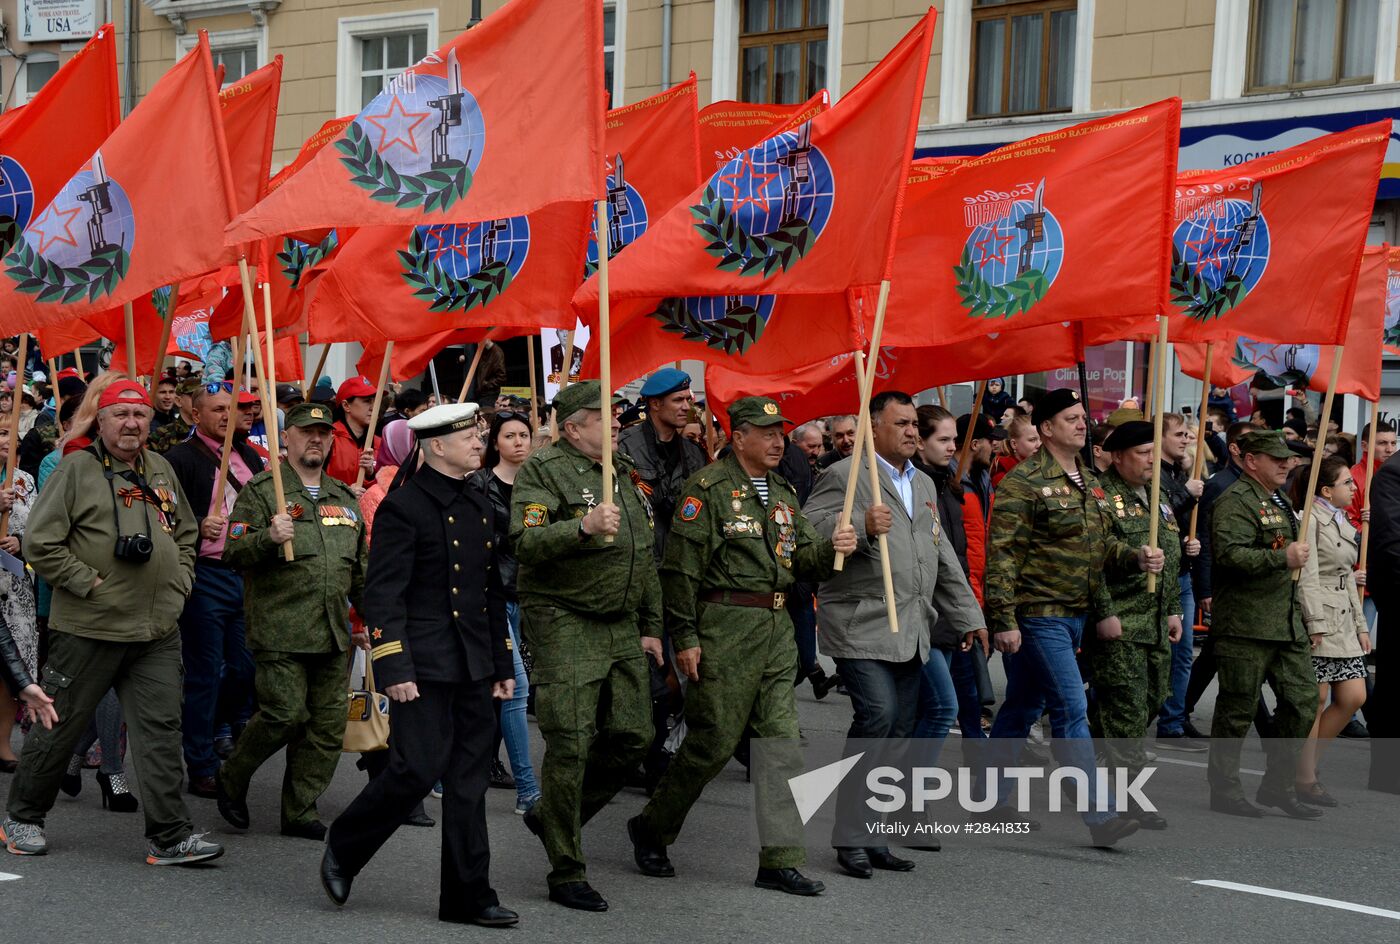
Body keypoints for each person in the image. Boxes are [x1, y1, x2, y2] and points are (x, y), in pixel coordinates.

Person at [628, 396, 857, 896]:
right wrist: (684, 637)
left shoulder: (782, 491)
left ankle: (780, 859)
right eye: (768, 432)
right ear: (740, 437)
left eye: (782, 433)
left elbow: (800, 561)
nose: (779, 441)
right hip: (724, 628)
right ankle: (652, 826)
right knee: (711, 745)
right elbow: (680, 571)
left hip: (775, 630)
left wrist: (835, 548)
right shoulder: (706, 490)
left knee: (780, 747)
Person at [2, 379, 223, 865]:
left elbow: (185, 532)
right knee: (59, 726)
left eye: (139, 415)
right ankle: (23, 815)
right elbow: (40, 541)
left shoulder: (161, 469)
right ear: (100, 422)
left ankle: (170, 836)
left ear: (150, 422)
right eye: (120, 414)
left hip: (157, 630)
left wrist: (181, 578)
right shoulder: (76, 470)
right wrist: (88, 583)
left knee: (162, 730)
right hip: (88, 629)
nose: (131, 423)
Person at [321, 403, 518, 928]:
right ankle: (345, 843)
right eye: (470, 438)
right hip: (424, 662)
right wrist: (395, 666)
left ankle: (468, 896)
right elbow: (384, 595)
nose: (481, 443)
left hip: (474, 661)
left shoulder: (480, 502)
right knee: (415, 771)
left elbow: (489, 592)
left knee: (469, 783)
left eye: (480, 436)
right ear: (435, 447)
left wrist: (502, 663)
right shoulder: (403, 507)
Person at [806, 395, 982, 877]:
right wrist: (859, 525)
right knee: (878, 717)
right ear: (874, 427)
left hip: (911, 627)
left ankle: (874, 835)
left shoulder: (922, 481)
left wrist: (968, 614)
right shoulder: (846, 475)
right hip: (860, 622)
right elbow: (809, 532)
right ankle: (849, 838)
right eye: (900, 423)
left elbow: (940, 553)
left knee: (900, 732)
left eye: (913, 424)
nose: (910, 432)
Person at [509, 380, 663, 912]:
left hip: (621, 621)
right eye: (604, 416)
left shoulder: (622, 473)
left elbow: (644, 553)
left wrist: (651, 624)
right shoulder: (542, 470)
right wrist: (581, 526)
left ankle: (553, 815)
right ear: (573, 426)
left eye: (618, 415)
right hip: (565, 616)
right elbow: (525, 542)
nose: (617, 422)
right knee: (571, 741)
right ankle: (566, 869)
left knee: (634, 736)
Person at [983, 388, 1160, 846]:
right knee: (1071, 707)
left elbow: (1096, 551)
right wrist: (1002, 618)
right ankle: (1099, 816)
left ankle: (991, 798)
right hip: (1039, 613)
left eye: (1083, 417)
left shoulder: (1088, 480)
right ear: (1046, 429)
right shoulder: (1023, 483)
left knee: (1022, 706)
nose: (1083, 424)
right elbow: (1002, 556)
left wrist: (1135, 557)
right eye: (1071, 418)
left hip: (1078, 613)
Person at [216, 402, 369, 840]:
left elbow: (359, 571)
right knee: (283, 714)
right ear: (287, 438)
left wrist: (372, 622)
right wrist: (267, 537)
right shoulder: (264, 492)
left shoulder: (343, 498)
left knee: (325, 727)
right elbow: (232, 552)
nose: (315, 439)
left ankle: (300, 810)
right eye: (305, 432)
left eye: (323, 433)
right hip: (281, 627)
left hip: (331, 631)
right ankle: (233, 774)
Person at [1206, 429, 1321, 819]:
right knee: (1236, 711)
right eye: (1276, 458)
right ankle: (1225, 788)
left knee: (1304, 702)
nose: (1286, 464)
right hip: (1246, 623)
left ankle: (1278, 785)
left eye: (1286, 458)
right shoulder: (1235, 501)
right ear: (1251, 460)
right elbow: (1229, 556)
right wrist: (1281, 558)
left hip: (1285, 623)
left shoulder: (1275, 498)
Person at [1087, 422, 1195, 830]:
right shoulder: (1099, 496)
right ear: (1117, 456)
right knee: (1129, 711)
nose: (1152, 459)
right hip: (1121, 619)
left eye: (1154, 451)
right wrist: (1104, 612)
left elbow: (1166, 555)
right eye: (1142, 452)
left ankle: (1090, 740)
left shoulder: (1157, 496)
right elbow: (1096, 557)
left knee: (1152, 699)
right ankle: (1128, 797)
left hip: (1153, 621)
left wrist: (1171, 609)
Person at [164, 384, 262, 798]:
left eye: (233, 408)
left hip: (248, 572)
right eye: (218, 409)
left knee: (245, 668)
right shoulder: (181, 459)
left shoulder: (250, 455)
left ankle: (223, 728)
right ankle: (201, 762)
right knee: (204, 673)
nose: (227, 415)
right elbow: (165, 514)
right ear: (196, 415)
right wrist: (199, 521)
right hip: (207, 574)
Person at [468, 410, 542, 815]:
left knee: (492, 690)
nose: (518, 441)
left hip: (527, 597)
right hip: (490, 596)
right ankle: (529, 792)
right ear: (495, 441)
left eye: (524, 435)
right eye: (510, 435)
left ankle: (450, 772)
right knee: (516, 687)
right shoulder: (479, 483)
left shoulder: (541, 483)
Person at [1293, 456, 1370, 807]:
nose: (1353, 488)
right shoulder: (1311, 519)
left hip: (1344, 616)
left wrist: (1361, 626)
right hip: (1321, 614)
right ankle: (1305, 776)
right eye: (1347, 483)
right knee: (1317, 699)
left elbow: (1348, 577)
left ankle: (1303, 766)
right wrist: (1315, 622)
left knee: (1354, 697)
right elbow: (1307, 576)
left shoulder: (1341, 517)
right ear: (1326, 490)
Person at [618, 368, 708, 561]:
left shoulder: (693, 453)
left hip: (682, 562)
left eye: (688, 399)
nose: (686, 407)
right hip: (641, 561)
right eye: (678, 400)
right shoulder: (624, 447)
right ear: (656, 403)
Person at [1155, 413, 1203, 751]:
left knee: (1182, 651)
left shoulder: (1179, 471)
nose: (1185, 439)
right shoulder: (1154, 474)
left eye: (1188, 434)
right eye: (1179, 434)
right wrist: (1186, 493)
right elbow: (1158, 513)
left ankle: (1172, 721)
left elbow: (1181, 524)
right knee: (1151, 652)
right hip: (1156, 574)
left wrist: (1191, 541)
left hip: (1181, 573)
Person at [0, 420, 37, 774]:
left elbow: (40, 528)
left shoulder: (25, 480)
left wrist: (21, 543)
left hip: (14, 586)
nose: (4, 441)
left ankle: (3, 743)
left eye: (10, 436)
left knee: (11, 667)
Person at [326, 375, 380, 494]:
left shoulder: (378, 443)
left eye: (375, 401)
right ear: (346, 406)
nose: (373, 407)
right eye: (367, 401)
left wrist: (371, 474)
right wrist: (346, 493)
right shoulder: (328, 438)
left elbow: (382, 491)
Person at [992, 413, 1040, 487]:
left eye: (1042, 439)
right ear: (1014, 444)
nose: (1039, 445)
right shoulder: (1003, 479)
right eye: (1032, 440)